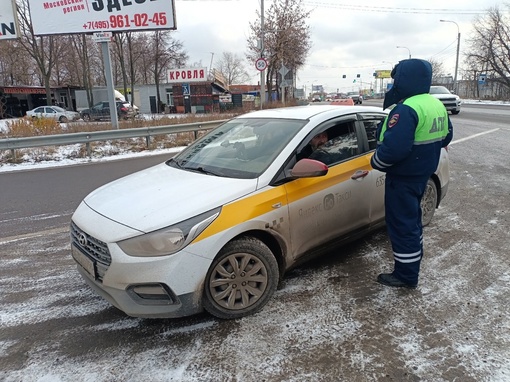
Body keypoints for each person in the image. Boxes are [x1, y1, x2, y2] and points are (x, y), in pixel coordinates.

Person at [370, 58, 453, 289]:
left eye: (397, 79)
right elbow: (446, 137)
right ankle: (413, 263)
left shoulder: (407, 109)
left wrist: (375, 161)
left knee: (402, 225)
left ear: (406, 79)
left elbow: (394, 149)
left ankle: (406, 276)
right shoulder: (435, 105)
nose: (394, 84)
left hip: (403, 179)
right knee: (412, 222)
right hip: (422, 174)